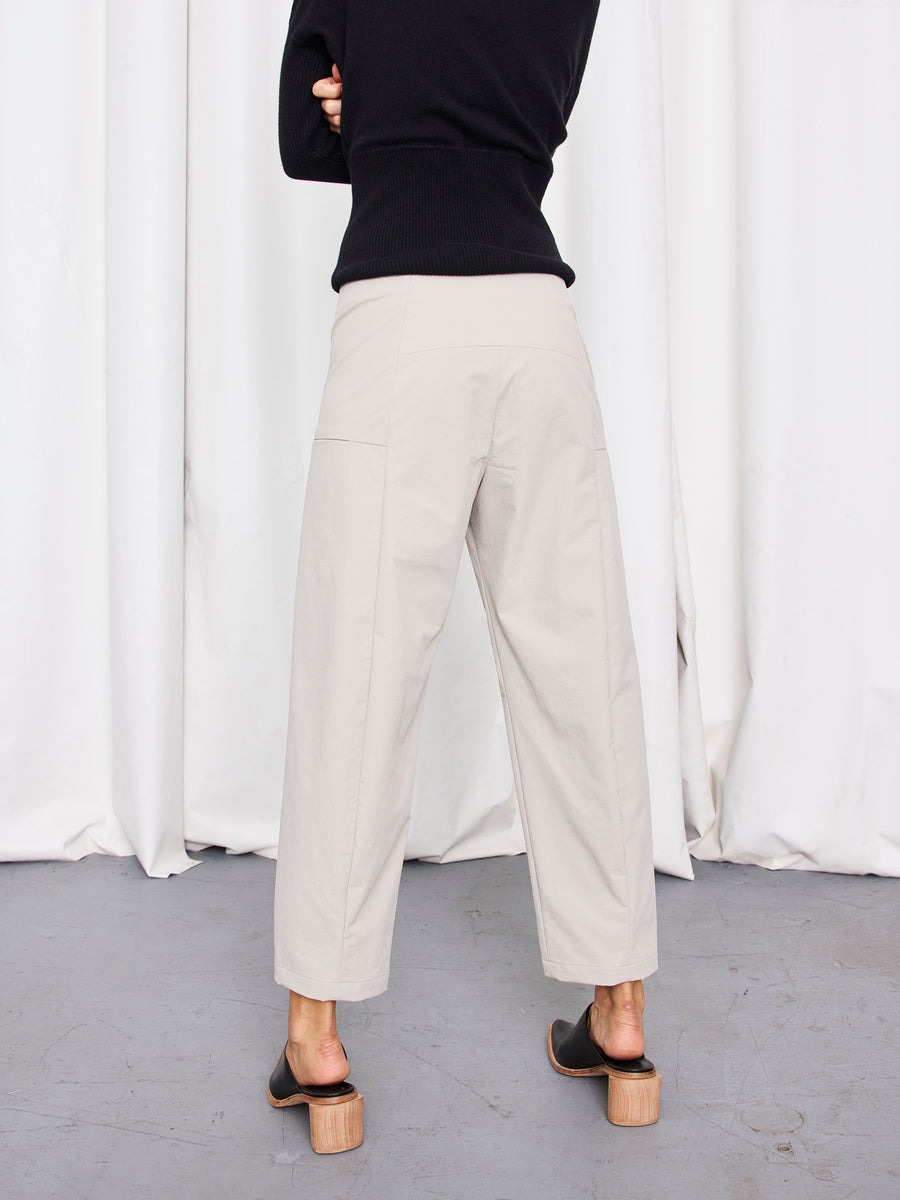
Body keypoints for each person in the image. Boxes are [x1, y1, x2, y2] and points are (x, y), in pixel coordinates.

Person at [266, 0, 661, 1153]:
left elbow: (303, 144)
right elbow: (522, 128)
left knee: (360, 671)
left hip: (398, 323)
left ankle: (317, 1040)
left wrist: (370, 103)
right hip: (537, 327)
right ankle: (621, 1014)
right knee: (581, 670)